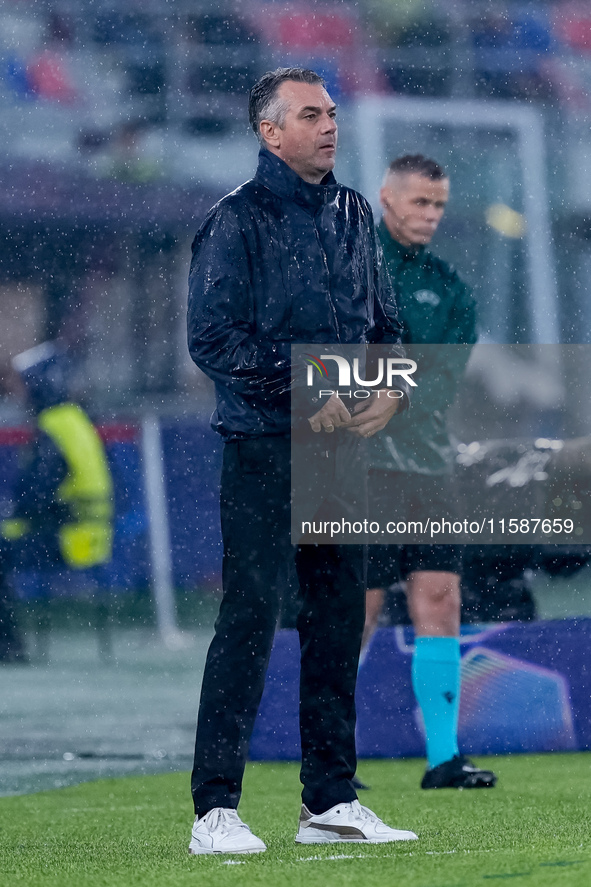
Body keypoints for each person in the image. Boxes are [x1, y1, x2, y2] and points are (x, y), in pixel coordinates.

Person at [186, 68, 418, 854]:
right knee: (248, 619)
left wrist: (392, 388)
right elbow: (212, 339)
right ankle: (213, 810)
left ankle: (330, 801)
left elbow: (385, 324)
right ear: (269, 131)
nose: (329, 125)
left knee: (334, 620)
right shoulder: (233, 220)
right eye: (311, 114)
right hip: (260, 447)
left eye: (332, 112)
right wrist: (298, 388)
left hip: (339, 453)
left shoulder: (354, 212)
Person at [362, 155, 497, 790]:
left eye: (439, 206)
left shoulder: (448, 288)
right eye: (420, 203)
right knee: (355, 610)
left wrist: (390, 386)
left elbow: (442, 382)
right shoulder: (347, 271)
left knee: (439, 600)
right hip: (358, 470)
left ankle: (442, 758)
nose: (431, 216)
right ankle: (329, 761)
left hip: (426, 469)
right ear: (387, 198)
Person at [1, 342, 114, 661]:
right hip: (89, 538)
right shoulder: (73, 420)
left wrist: (12, 511)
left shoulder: (52, 426)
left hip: (68, 539)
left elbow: (36, 494)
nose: (20, 392)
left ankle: (9, 648)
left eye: (24, 383)